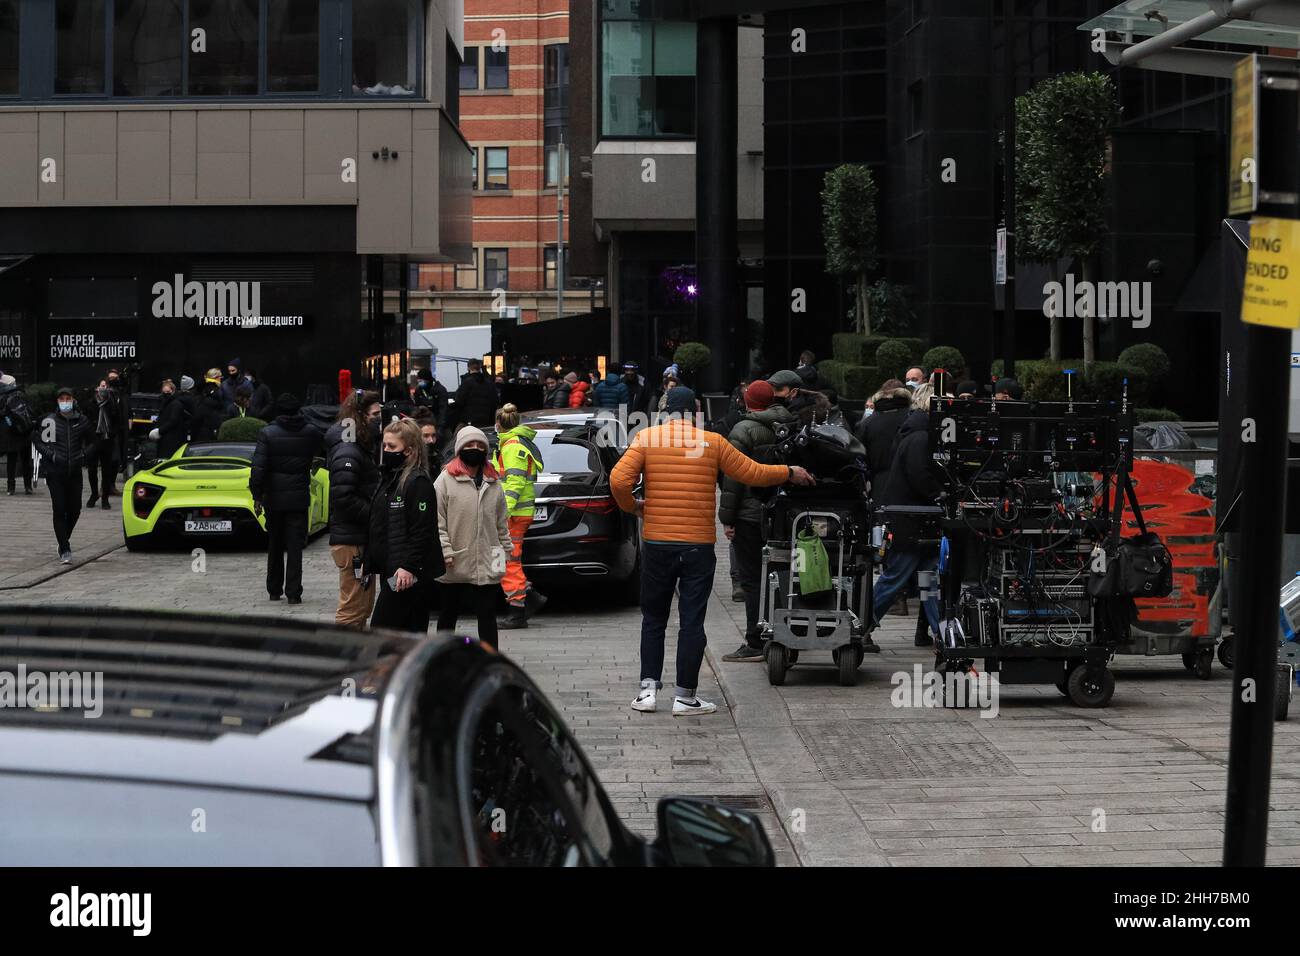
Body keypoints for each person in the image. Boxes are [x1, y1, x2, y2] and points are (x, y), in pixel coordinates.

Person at [610, 386, 816, 715]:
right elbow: (753, 473)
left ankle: (647, 692)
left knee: (654, 619)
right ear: (694, 411)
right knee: (692, 622)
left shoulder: (647, 438)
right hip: (697, 546)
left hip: (658, 544)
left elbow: (618, 479)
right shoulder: (712, 441)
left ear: (665, 410)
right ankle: (685, 696)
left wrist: (634, 506)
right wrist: (789, 472)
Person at [718, 380, 800, 662]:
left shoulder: (743, 429)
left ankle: (756, 639)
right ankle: (786, 635)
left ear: (747, 401)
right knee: (785, 574)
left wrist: (727, 518)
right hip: (785, 514)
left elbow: (734, 478)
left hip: (751, 514)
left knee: (752, 579)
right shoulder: (791, 423)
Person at [870, 383, 942, 645]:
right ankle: (861, 625)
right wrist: (942, 493)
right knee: (899, 576)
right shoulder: (921, 437)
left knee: (928, 580)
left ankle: (941, 634)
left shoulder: (914, 431)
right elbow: (920, 477)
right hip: (913, 520)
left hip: (914, 519)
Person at [434, 426, 512, 648]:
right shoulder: (444, 481)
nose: (475, 449)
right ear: (460, 449)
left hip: (487, 560)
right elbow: (437, 522)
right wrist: (445, 550)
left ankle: (490, 658)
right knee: (449, 613)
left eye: (480, 446)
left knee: (487, 614)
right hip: (455, 560)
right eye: (469, 445)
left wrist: (506, 551)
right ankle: (443, 655)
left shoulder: (493, 482)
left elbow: (500, 522)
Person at [367, 418, 444, 632]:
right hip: (393, 570)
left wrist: (409, 567)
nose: (386, 450)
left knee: (381, 630)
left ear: (409, 451)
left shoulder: (417, 482)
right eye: (384, 445)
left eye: (392, 446)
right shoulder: (390, 478)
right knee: (410, 631)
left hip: (405, 574)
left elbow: (422, 529)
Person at [248, 393, 322, 605]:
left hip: (274, 497)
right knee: (295, 546)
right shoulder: (310, 432)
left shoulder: (267, 433)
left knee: (275, 544)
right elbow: (319, 451)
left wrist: (257, 495)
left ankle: (274, 589)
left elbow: (258, 468)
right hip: (298, 496)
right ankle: (294, 592)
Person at [326, 390, 382, 628]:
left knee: (360, 607)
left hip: (357, 538)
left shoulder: (356, 446)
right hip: (352, 541)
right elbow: (343, 496)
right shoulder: (348, 449)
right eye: (375, 414)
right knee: (352, 609)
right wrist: (374, 514)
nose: (380, 419)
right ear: (360, 416)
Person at [493, 404, 547, 630]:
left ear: (498, 424)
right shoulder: (517, 444)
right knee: (509, 559)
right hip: (518, 513)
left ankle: (518, 609)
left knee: (507, 561)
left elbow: (513, 482)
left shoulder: (512, 447)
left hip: (513, 514)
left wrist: (503, 511)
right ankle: (529, 597)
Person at [33, 386, 92, 563]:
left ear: (73, 400)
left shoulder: (81, 421)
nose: (65, 402)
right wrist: (51, 455)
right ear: (57, 401)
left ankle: (63, 538)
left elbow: (94, 443)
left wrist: (83, 456)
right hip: (55, 472)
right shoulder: (50, 421)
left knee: (75, 509)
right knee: (59, 509)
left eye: (68, 398)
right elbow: (39, 441)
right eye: (62, 399)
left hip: (74, 472)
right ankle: (65, 548)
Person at [856, 379, 912, 493]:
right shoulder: (912, 418)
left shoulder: (867, 423)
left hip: (879, 485)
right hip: (909, 485)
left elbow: (859, 457)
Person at [84, 379, 120, 510]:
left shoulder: (112, 403)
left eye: (105, 386)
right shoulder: (91, 402)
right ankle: (94, 494)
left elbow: (117, 421)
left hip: (107, 440)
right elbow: (86, 420)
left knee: (106, 471)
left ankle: (105, 497)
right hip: (93, 440)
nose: (103, 388)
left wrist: (111, 434)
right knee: (92, 470)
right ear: (97, 387)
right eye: (101, 385)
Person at [768, 369, 842, 427]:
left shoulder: (801, 418)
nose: (773, 394)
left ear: (793, 392)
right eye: (770, 389)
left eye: (778, 389)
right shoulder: (786, 409)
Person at [0, 373, 34, 495]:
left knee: (12, 460)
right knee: (25, 459)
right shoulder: (22, 394)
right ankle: (28, 486)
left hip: (11, 432)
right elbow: (30, 410)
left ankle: (11, 487)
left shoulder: (3, 396)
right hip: (24, 430)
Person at [151, 378, 191, 460]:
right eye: (164, 392)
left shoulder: (175, 404)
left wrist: (159, 431)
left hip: (171, 439)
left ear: (173, 391)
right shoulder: (167, 403)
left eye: (167, 392)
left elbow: (173, 421)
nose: (165, 394)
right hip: (166, 437)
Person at [453, 359, 499, 429]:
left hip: (470, 421)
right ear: (480, 367)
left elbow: (459, 401)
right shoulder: (489, 383)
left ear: (468, 368)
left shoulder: (466, 383)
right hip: (488, 421)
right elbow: (495, 401)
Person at [191, 370, 229, 442]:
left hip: (201, 428)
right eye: (220, 377)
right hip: (211, 428)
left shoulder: (201, 390)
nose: (221, 379)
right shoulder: (216, 392)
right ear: (216, 378)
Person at [412, 407, 444, 475]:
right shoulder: (411, 464)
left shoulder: (439, 459)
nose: (431, 440)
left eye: (433, 436)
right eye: (426, 436)